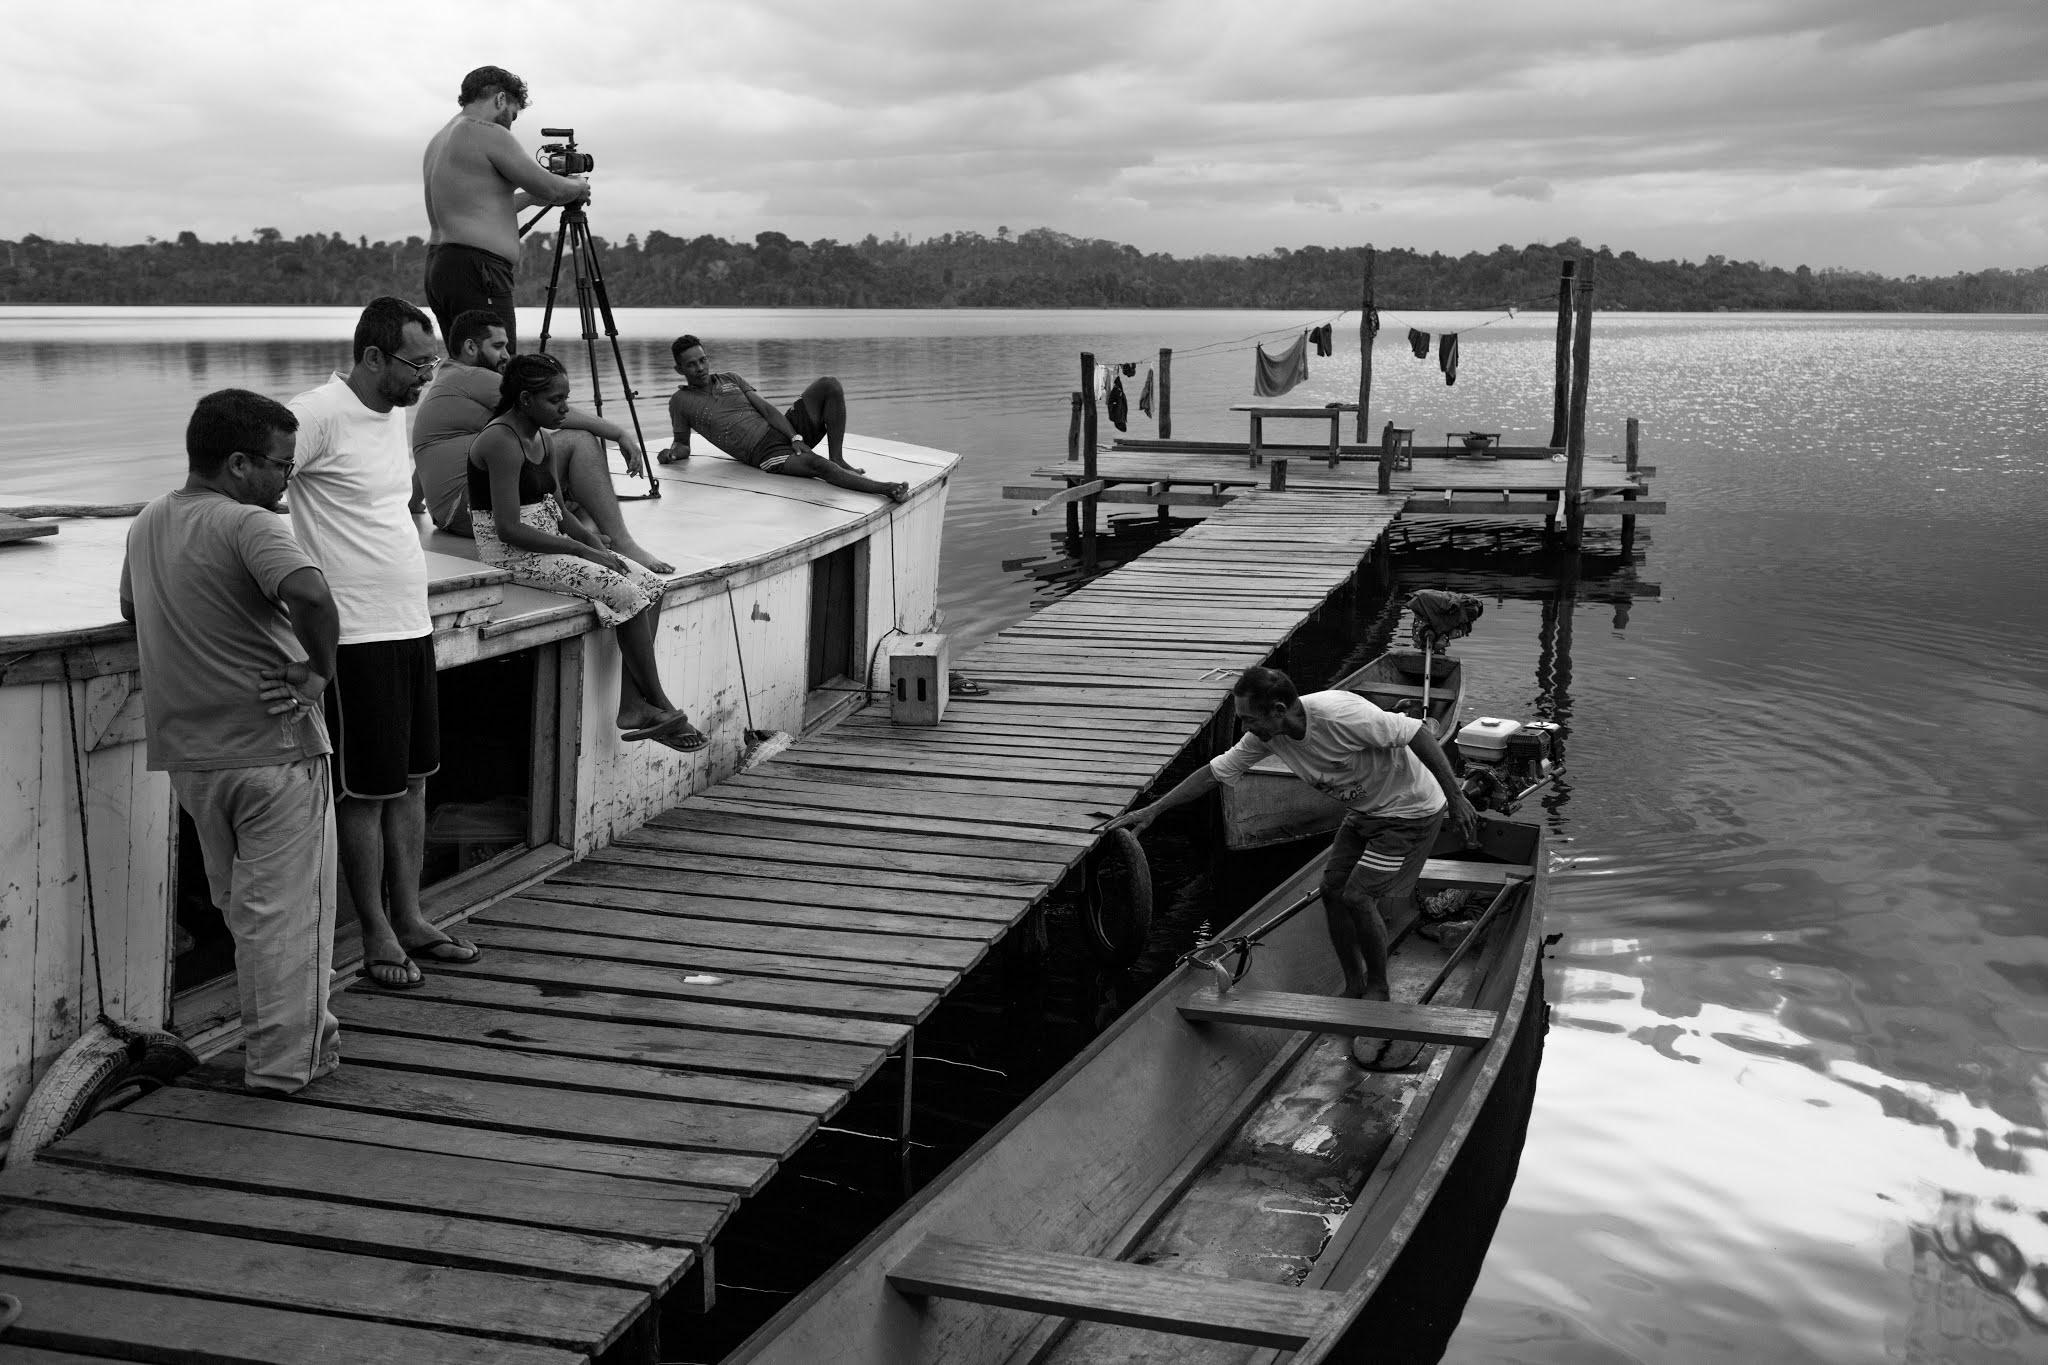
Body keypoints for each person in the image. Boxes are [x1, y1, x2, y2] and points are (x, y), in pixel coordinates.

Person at [119, 389, 342, 1091]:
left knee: (249, 912)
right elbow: (311, 593)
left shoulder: (148, 521)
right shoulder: (252, 525)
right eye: (279, 465)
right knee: (287, 917)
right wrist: (318, 671)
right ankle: (281, 1071)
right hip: (272, 749)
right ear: (239, 463)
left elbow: (131, 606)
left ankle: (311, 1040)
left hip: (193, 757)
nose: (287, 479)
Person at [1105, 665, 1477, 1067]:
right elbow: (1215, 771)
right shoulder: (1268, 736)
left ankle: (1379, 988)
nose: (1245, 727)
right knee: (1331, 891)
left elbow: (1418, 731)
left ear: (1279, 710)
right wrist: (1156, 809)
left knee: (1356, 895)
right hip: (1362, 811)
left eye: (1249, 718)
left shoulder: (1341, 716)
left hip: (1410, 812)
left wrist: (1455, 798)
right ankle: (1353, 983)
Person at [289, 296, 480, 991]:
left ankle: (412, 916)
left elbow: (392, 507)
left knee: (415, 780)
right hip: (355, 636)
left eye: (432, 364)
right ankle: (372, 931)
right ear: (372, 356)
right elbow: (251, 496)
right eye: (416, 364)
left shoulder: (391, 415)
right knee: (366, 790)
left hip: (410, 625)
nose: (426, 378)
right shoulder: (315, 414)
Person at [470, 352, 706, 752]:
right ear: (525, 399)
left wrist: (600, 548)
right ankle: (660, 703)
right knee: (626, 594)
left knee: (650, 584)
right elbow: (509, 529)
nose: (565, 408)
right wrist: (582, 549)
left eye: (566, 398)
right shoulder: (500, 440)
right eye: (555, 400)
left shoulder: (542, 437)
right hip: (512, 555)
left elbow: (559, 511)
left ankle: (633, 704)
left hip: (550, 543)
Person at [412, 309, 671, 573]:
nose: (506, 356)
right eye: (498, 346)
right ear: (470, 346)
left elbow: (427, 449)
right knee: (579, 441)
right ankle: (622, 543)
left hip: (450, 515)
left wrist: (414, 502)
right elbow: (549, 407)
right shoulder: (473, 377)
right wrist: (617, 433)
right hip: (471, 511)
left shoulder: (448, 379)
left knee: (578, 501)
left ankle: (588, 537)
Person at [420, 65, 590, 349]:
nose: (510, 124)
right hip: (478, 271)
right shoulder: (486, 132)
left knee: (465, 370)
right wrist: (577, 187)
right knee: (497, 370)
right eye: (511, 114)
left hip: (443, 268)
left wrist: (533, 199)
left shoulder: (440, 139)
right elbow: (551, 187)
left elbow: (480, 206)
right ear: (500, 99)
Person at [656, 335, 908, 502]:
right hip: (764, 452)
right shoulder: (680, 402)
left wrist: (795, 437)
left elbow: (767, 410)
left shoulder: (731, 378)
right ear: (680, 370)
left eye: (703, 360)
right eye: (691, 365)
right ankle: (884, 488)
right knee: (817, 466)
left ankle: (838, 457)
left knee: (829, 385)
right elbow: (683, 444)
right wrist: (672, 454)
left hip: (782, 430)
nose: (700, 368)